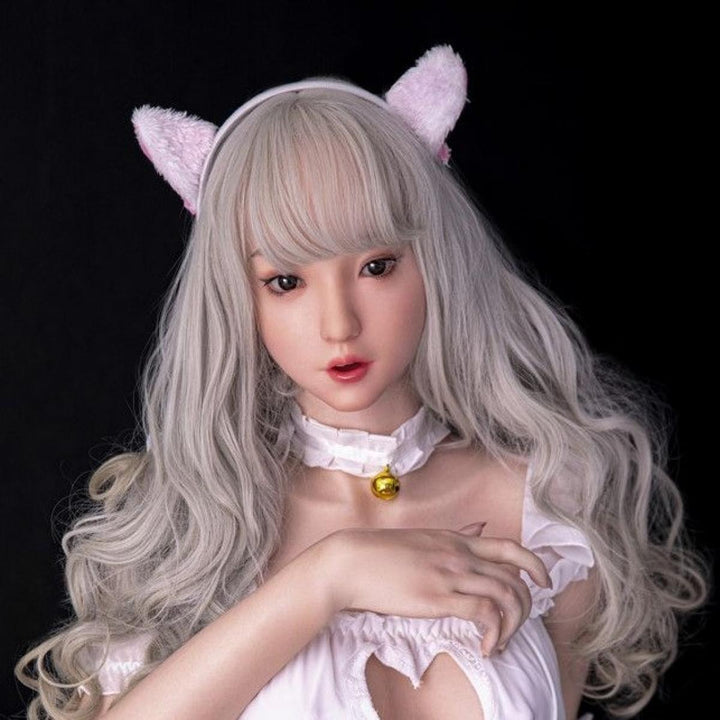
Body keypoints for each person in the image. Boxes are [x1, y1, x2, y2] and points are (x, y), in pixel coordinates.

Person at [16, 45, 707, 720]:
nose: (339, 324)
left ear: (433, 261)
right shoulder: (196, 523)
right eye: (286, 282)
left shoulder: (555, 497)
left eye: (377, 267)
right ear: (238, 299)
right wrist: (328, 577)